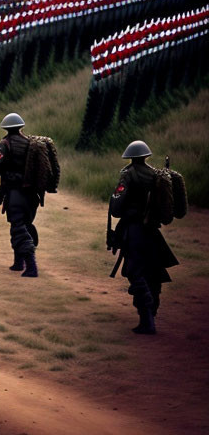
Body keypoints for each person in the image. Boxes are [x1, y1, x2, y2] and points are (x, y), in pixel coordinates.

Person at [107, 140, 185, 335]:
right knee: (153, 272)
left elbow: (116, 209)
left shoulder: (127, 175)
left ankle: (147, 319)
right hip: (152, 231)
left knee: (135, 273)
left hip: (133, 230)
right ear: (146, 156)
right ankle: (152, 313)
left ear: (130, 157)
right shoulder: (156, 175)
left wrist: (115, 199)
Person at [0, 112, 59, 277]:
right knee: (23, 225)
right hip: (31, 196)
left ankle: (31, 266)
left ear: (6, 128)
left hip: (15, 194)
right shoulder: (31, 144)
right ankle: (18, 263)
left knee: (18, 228)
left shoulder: (5, 143)